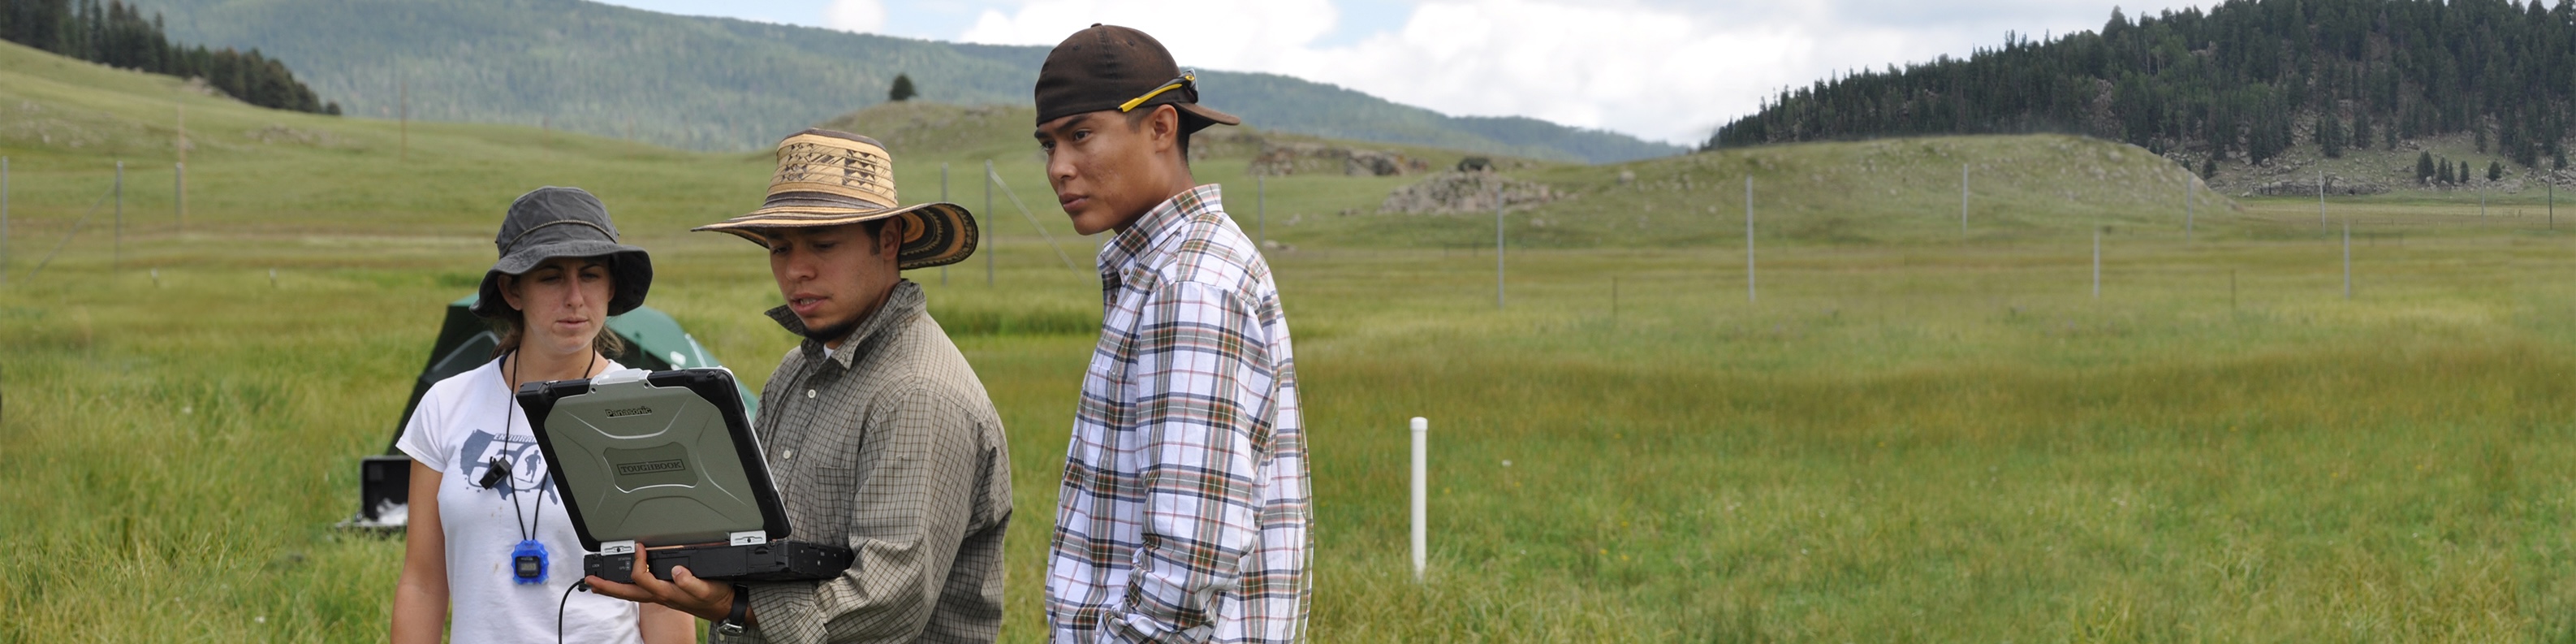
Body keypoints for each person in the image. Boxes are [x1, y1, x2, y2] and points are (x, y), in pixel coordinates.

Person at [587, 128, 1013, 644]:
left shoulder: (917, 392)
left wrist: (735, 604)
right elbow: (753, 531)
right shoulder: (795, 371)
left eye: (824, 244)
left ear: (888, 240)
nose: (796, 270)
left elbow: (886, 603)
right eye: (780, 247)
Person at [1029, 24, 1311, 643]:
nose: (1058, 168)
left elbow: (1193, 557)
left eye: (1080, 135)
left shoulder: (1190, 283)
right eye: (1047, 144)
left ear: (1160, 127)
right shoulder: (1169, 269)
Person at [391, 187, 694, 643]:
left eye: (590, 276)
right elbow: (422, 582)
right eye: (551, 278)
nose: (574, 298)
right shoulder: (446, 404)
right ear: (513, 290)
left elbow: (664, 594)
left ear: (611, 287)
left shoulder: (646, 407)